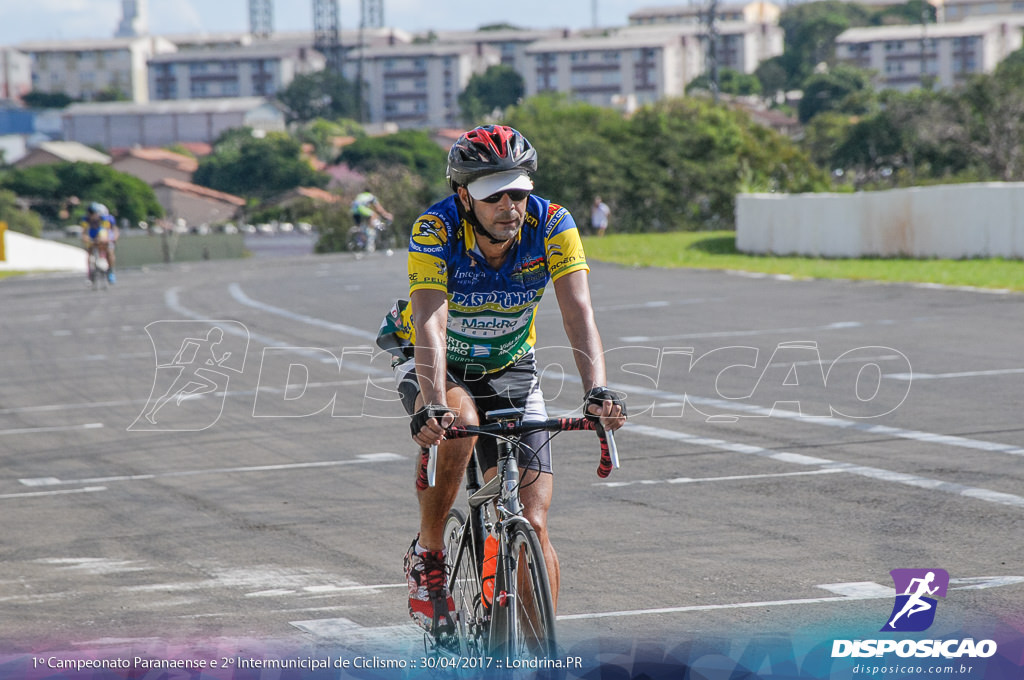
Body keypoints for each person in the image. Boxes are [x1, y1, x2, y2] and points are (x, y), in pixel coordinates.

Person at [375, 124, 627, 636]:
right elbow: (430, 321)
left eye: (518, 190)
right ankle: (430, 555)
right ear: (465, 195)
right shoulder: (436, 229)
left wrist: (597, 391)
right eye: (495, 195)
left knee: (533, 521)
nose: (510, 205)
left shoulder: (553, 225)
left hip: (510, 364)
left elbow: (579, 313)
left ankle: (542, 657)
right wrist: (430, 402)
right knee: (459, 418)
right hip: (435, 359)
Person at [81, 202, 118, 283]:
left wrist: (106, 239)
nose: (92, 216)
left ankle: (110, 270)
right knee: (89, 252)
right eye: (90, 214)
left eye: (93, 213)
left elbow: (105, 231)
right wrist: (85, 238)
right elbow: (84, 232)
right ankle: (90, 273)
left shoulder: (104, 219)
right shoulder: (85, 219)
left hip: (101, 234)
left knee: (109, 250)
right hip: (91, 234)